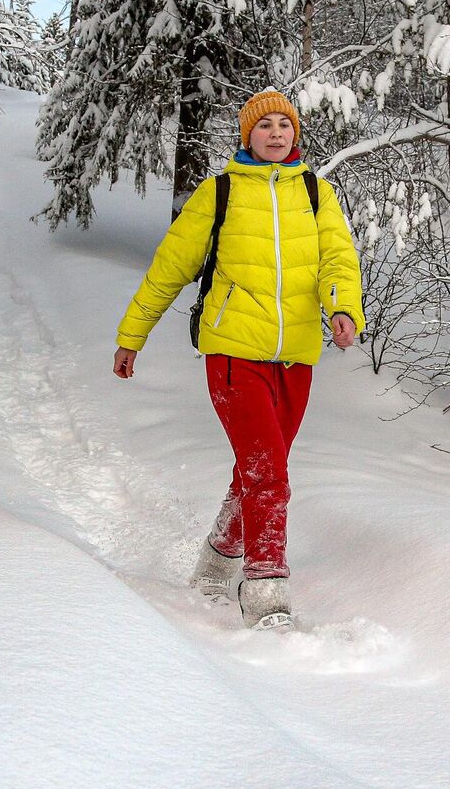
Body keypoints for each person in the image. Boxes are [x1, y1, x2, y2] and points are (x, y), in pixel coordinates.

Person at [111, 90, 365, 630]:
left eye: (285, 125)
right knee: (269, 473)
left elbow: (337, 260)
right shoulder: (219, 192)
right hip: (232, 353)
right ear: (246, 136)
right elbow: (169, 268)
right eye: (264, 125)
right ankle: (265, 590)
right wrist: (133, 336)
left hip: (295, 357)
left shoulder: (317, 195)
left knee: (257, 470)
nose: (276, 133)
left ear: (296, 134)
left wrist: (342, 309)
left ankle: (215, 566)